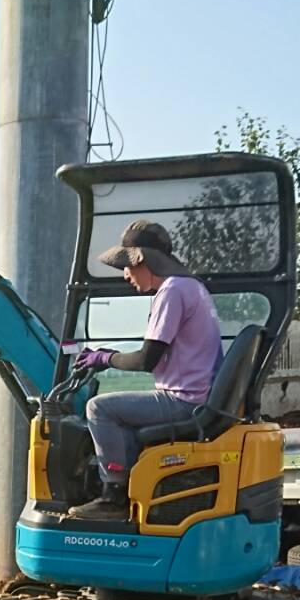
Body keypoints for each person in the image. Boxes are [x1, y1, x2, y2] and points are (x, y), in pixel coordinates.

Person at [67, 219, 223, 520]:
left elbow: (146, 360)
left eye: (128, 265)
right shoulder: (193, 287)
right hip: (198, 397)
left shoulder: (172, 291)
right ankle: (126, 485)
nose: (126, 274)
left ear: (145, 260)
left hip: (183, 401)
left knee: (100, 409)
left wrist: (103, 358)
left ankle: (113, 497)